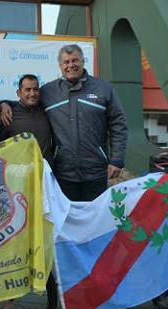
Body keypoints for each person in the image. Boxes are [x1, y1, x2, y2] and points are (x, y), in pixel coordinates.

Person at [40, 44, 128, 201]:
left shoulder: (104, 88)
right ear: (60, 66)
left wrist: (117, 160)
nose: (71, 65)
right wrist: (5, 105)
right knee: (68, 221)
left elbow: (118, 124)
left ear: (83, 61)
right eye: (66, 62)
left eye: (75, 60)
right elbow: (26, 104)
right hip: (63, 173)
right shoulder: (48, 92)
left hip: (96, 172)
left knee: (95, 221)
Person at [0, 74, 53, 165]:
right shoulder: (8, 114)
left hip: (45, 174)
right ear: (18, 93)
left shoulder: (47, 110)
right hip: (20, 176)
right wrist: (3, 104)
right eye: (27, 90)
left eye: (35, 89)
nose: (32, 93)